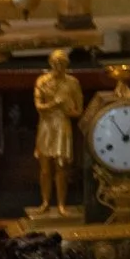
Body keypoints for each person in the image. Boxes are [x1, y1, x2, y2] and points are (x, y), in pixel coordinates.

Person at [30, 48, 82, 216]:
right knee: (45, 168)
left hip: (62, 126)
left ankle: (61, 205)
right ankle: (45, 202)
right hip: (46, 127)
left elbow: (78, 111)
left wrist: (67, 109)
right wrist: (55, 103)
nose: (59, 66)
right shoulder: (42, 81)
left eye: (63, 63)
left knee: (61, 168)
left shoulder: (73, 83)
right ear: (51, 63)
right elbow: (38, 107)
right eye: (56, 63)